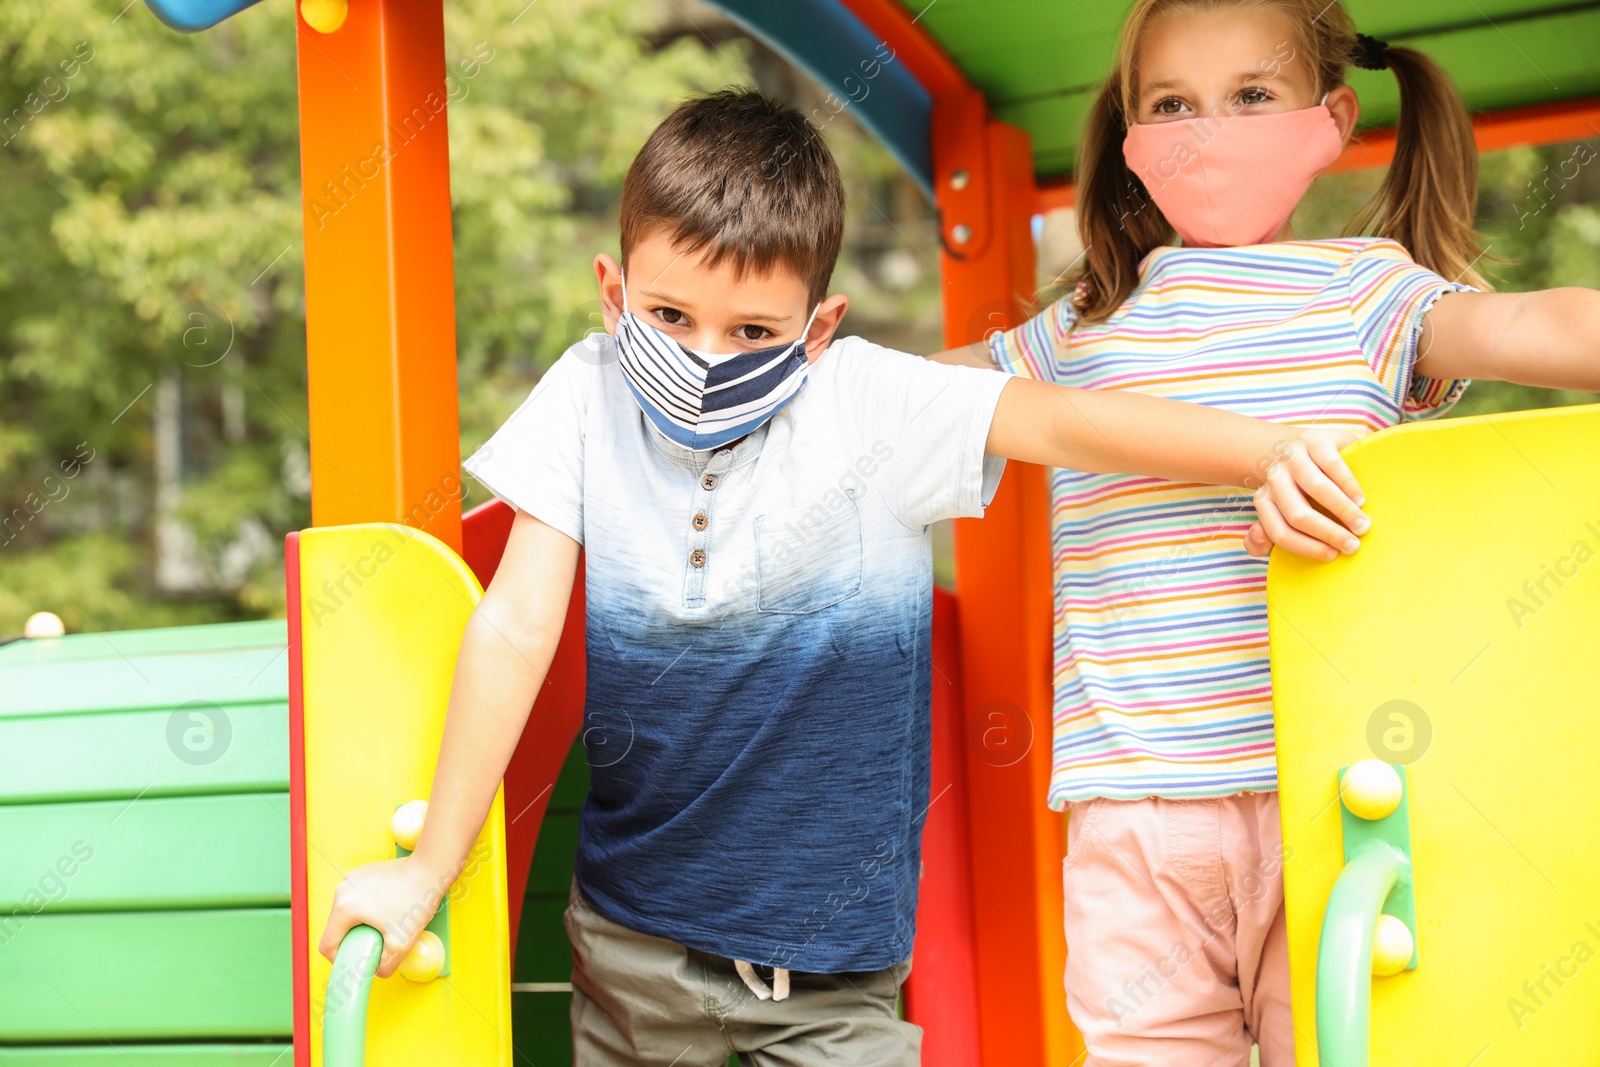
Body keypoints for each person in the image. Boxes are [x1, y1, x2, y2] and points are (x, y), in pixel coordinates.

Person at [317, 89, 1368, 1066]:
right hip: (630, 941)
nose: (703, 357)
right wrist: (431, 863)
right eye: (669, 317)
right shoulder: (586, 397)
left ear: (817, 329)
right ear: (613, 291)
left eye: (753, 333)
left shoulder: (865, 404)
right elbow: (515, 623)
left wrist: (1268, 452)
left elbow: (1064, 420)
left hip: (831, 968)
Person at [930, 2, 1600, 1063]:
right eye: (1171, 106)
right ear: (1132, 140)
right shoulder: (1080, 327)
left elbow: (1532, 324)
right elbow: (906, 398)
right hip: (1136, 805)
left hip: (1335, 792)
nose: (1207, 130)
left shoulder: (1367, 290)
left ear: (1329, 118)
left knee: (1346, 1046)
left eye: (1250, 97)